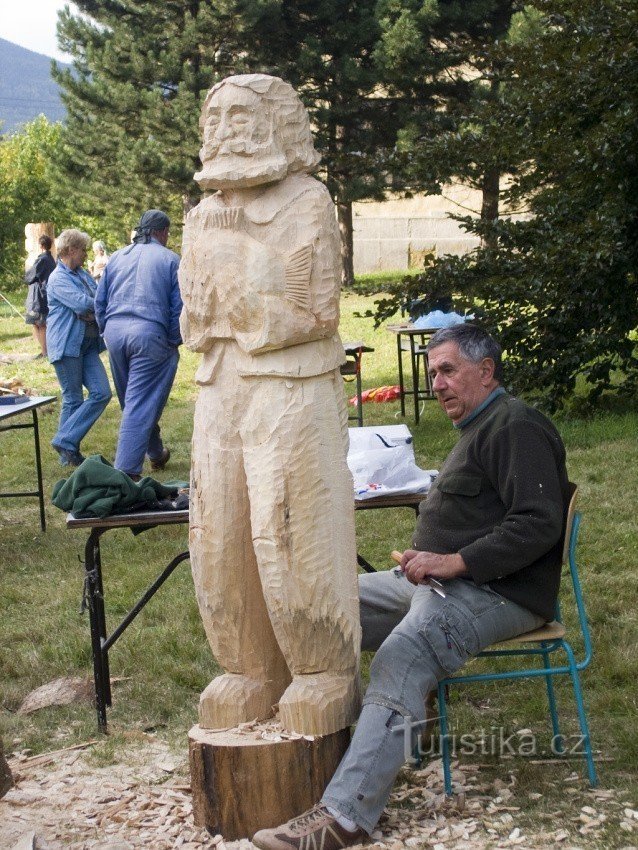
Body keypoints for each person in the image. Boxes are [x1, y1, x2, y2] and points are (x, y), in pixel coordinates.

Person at [252, 323, 571, 850]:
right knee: (326, 606)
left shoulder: (516, 425)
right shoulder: (481, 427)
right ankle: (370, 736)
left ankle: (344, 817)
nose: (438, 383)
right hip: (442, 583)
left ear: (486, 370)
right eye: (432, 373)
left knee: (405, 651)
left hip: (500, 593)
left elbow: (539, 522)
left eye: (448, 370)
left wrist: (454, 560)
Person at [179, 75, 360, 733]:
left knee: (291, 526)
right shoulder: (199, 214)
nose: (226, 127)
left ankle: (322, 671)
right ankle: (247, 666)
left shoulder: (306, 201)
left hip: (289, 383)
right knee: (218, 532)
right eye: (216, 114)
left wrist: (236, 263)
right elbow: (193, 315)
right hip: (219, 383)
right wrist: (218, 284)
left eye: (241, 114)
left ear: (279, 124)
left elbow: (315, 308)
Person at [95, 210, 182, 480]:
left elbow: (100, 302)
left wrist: (106, 331)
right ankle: (127, 472)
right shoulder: (170, 259)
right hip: (149, 334)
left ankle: (156, 453)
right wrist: (173, 340)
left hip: (115, 333)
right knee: (140, 401)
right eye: (168, 233)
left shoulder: (117, 256)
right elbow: (178, 307)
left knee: (133, 400)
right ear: (162, 232)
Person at [46, 230, 112, 466]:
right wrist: (91, 309)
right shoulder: (58, 279)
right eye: (83, 250)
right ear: (71, 250)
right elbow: (83, 302)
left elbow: (98, 299)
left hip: (87, 346)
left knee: (102, 393)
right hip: (66, 346)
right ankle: (67, 455)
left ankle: (65, 441)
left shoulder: (81, 274)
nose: (85, 255)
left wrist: (91, 312)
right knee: (73, 399)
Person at [24, 234, 56, 357]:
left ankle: (45, 352)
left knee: (41, 324)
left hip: (39, 296)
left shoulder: (42, 259)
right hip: (45, 294)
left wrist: (27, 275)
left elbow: (31, 276)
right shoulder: (51, 259)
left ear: (41, 246)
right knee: (36, 323)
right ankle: (44, 350)